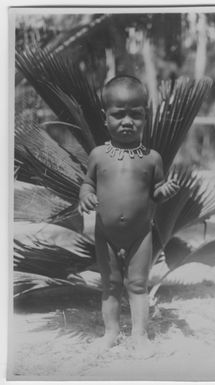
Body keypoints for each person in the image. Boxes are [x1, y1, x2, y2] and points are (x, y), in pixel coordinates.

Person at [78, 75, 180, 356]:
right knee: (110, 286)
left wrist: (165, 191)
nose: (127, 121)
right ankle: (110, 333)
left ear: (145, 117)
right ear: (104, 117)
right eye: (118, 115)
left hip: (140, 233)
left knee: (137, 285)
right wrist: (85, 195)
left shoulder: (152, 158)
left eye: (135, 115)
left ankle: (140, 336)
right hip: (105, 233)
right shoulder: (98, 155)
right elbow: (87, 182)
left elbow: (155, 194)